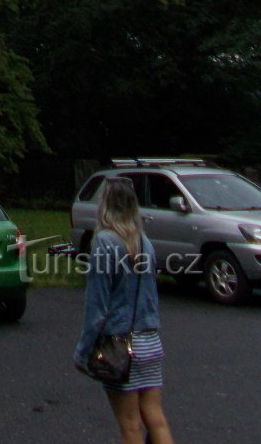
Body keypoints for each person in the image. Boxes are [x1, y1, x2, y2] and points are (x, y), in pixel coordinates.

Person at [74, 176, 176, 444]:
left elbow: (97, 307)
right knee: (156, 417)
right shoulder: (145, 243)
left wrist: (83, 352)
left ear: (104, 205)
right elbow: (151, 298)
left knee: (129, 425)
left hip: (120, 346)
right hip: (150, 341)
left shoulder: (104, 243)